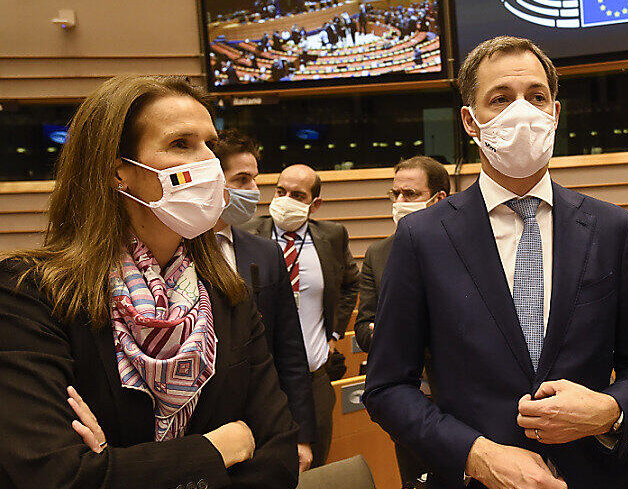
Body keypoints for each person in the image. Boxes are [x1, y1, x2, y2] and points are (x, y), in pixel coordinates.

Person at [363, 35, 628, 489]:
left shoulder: (611, 228)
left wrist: (609, 410)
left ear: (555, 113)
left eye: (537, 97)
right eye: (501, 99)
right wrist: (476, 453)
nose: (521, 111)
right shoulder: (422, 238)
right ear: (470, 121)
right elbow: (387, 387)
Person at [0, 75, 298, 487]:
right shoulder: (31, 295)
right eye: (182, 144)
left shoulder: (229, 295)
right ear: (117, 172)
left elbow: (279, 460)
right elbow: (57, 475)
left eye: (210, 144)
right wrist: (219, 449)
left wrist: (120, 466)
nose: (210, 163)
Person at [211, 129, 316, 473]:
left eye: (255, 179)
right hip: (203, 431)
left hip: (264, 422)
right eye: (242, 179)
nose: (254, 191)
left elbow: (289, 349)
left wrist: (300, 433)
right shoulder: (178, 248)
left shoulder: (266, 252)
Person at [245, 163, 359, 468]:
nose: (285, 199)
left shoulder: (332, 236)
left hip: (314, 376)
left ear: (315, 203)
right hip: (263, 379)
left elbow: (350, 285)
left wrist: (334, 334)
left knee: (315, 464)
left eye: (297, 194)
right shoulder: (248, 235)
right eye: (280, 191)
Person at [354, 155, 450, 489]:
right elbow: (364, 328)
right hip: (408, 399)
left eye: (409, 195)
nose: (398, 203)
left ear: (438, 199)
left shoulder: (465, 248)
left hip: (460, 398)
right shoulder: (378, 254)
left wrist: (396, 329)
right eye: (394, 194)